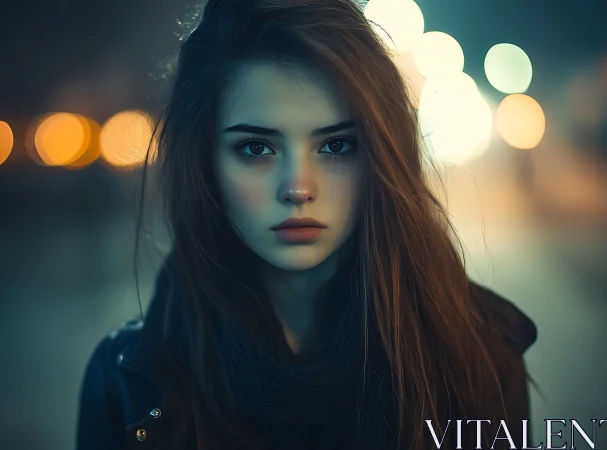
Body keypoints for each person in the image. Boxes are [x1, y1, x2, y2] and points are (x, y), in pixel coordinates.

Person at [76, 0, 538, 448]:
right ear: (205, 165)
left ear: (380, 157)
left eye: (335, 146)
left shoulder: (477, 358)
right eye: (257, 149)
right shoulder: (126, 384)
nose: (298, 188)